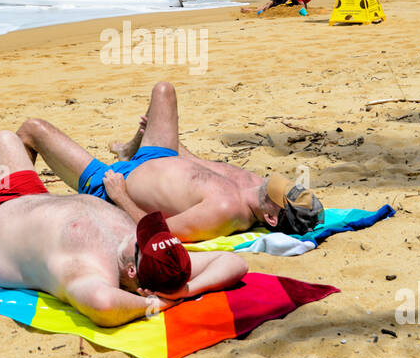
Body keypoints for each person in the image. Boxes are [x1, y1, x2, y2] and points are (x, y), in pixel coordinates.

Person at [0, 130, 246, 326]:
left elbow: (103, 304)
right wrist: (184, 291)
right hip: (26, 198)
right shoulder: (168, 262)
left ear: (130, 269)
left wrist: (155, 305)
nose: (140, 229)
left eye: (142, 239)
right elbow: (236, 264)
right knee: (5, 139)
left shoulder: (93, 273)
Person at [17, 81, 323, 242]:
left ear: (271, 217)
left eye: (291, 196)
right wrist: (176, 145)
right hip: (160, 156)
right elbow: (200, 169)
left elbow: (159, 233)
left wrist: (120, 195)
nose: (291, 187)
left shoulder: (227, 212)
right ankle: (131, 148)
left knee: (32, 129)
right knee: (164, 90)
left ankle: (2, 211)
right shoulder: (253, 184)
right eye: (297, 189)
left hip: (110, 182)